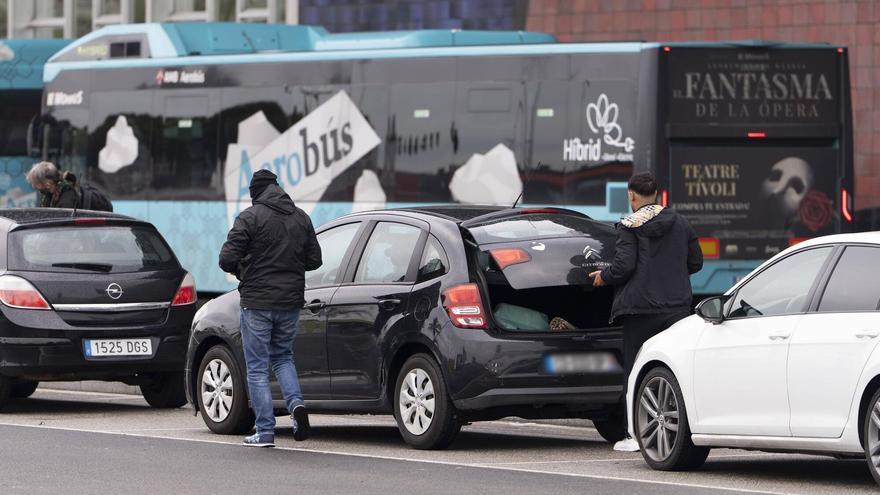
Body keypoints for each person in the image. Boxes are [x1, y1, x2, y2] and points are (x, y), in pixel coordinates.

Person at [589, 172, 702, 452]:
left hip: (640, 309)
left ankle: (633, 435)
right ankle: (678, 431)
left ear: (631, 195)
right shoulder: (680, 222)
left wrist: (604, 276)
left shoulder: (630, 226)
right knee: (673, 369)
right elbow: (696, 262)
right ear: (657, 193)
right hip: (676, 307)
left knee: (637, 370)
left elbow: (625, 266)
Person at [219, 169, 322, 448]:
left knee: (256, 368)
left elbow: (226, 258)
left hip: (257, 302)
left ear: (255, 193)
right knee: (283, 358)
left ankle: (265, 431)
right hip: (290, 302)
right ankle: (296, 406)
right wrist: (290, 263)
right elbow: (315, 259)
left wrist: (245, 269)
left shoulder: (250, 218)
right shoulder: (300, 217)